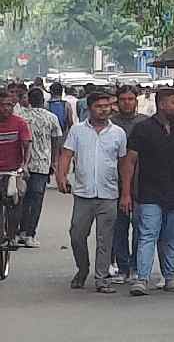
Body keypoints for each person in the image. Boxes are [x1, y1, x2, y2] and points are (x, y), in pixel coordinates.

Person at [120, 88, 174, 296]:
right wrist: (126, 192)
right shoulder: (143, 128)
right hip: (149, 192)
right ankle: (142, 278)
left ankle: (170, 276)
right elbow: (130, 160)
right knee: (148, 234)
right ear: (161, 104)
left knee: (173, 236)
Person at [57, 92, 127, 293]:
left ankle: (102, 278)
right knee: (77, 235)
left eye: (107, 106)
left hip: (109, 193)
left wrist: (126, 192)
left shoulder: (118, 133)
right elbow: (66, 154)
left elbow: (124, 164)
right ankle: (83, 268)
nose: (104, 109)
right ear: (89, 108)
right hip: (83, 194)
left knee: (105, 239)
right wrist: (62, 176)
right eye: (99, 106)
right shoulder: (78, 131)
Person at [15, 88, 62, 248]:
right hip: (42, 164)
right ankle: (30, 234)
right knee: (35, 201)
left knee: (19, 199)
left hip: (22, 164)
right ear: (43, 100)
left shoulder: (20, 117)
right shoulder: (51, 118)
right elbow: (57, 141)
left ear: (28, 99)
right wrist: (54, 161)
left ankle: (17, 233)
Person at [110, 85, 148, 283]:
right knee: (119, 227)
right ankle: (122, 267)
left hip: (142, 181)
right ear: (117, 102)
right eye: (123, 99)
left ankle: (136, 266)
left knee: (140, 227)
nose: (127, 102)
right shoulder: (110, 124)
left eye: (130, 99)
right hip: (114, 182)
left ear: (136, 100)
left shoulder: (145, 123)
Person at [0, 90, 32, 245]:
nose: (6, 108)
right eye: (3, 105)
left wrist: (24, 166)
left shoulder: (20, 123)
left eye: (9, 105)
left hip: (13, 171)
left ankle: (12, 235)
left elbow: (27, 146)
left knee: (15, 201)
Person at [48, 82, 75, 170]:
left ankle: (52, 168)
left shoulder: (46, 104)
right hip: (64, 134)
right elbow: (70, 121)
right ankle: (62, 174)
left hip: (50, 135)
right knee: (62, 156)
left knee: (52, 154)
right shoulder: (66, 105)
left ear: (51, 92)